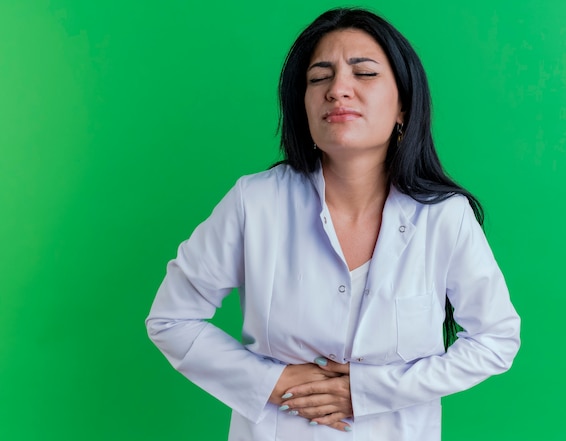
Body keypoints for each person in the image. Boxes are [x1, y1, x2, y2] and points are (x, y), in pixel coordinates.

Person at [146, 7, 521, 441]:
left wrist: (370, 392)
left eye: (363, 73)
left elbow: (495, 340)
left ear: (403, 106)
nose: (338, 89)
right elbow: (171, 320)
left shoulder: (443, 217)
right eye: (319, 77)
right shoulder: (255, 202)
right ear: (302, 105)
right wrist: (274, 382)